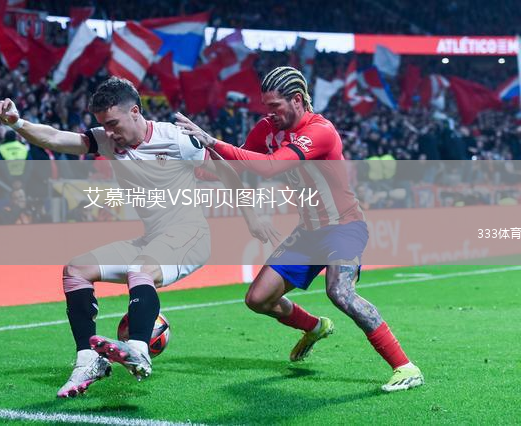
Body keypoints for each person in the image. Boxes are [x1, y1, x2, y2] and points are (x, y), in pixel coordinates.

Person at [0, 77, 273, 398]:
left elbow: (227, 172)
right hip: (151, 240)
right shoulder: (107, 140)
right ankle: (88, 360)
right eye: (103, 125)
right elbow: (56, 137)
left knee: (140, 268)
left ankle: (139, 349)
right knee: (76, 269)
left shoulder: (176, 140)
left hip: (190, 236)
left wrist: (253, 215)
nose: (108, 132)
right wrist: (18, 123)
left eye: (113, 124)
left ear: (135, 112)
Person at [176, 66, 424, 393]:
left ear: (296, 100)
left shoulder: (320, 131)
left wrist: (213, 140)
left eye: (275, 106)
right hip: (308, 231)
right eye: (266, 107)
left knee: (340, 292)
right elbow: (238, 167)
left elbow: (271, 167)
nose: (269, 114)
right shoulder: (268, 128)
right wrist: (188, 167)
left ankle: (405, 367)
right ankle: (315, 326)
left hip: (344, 227)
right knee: (258, 299)